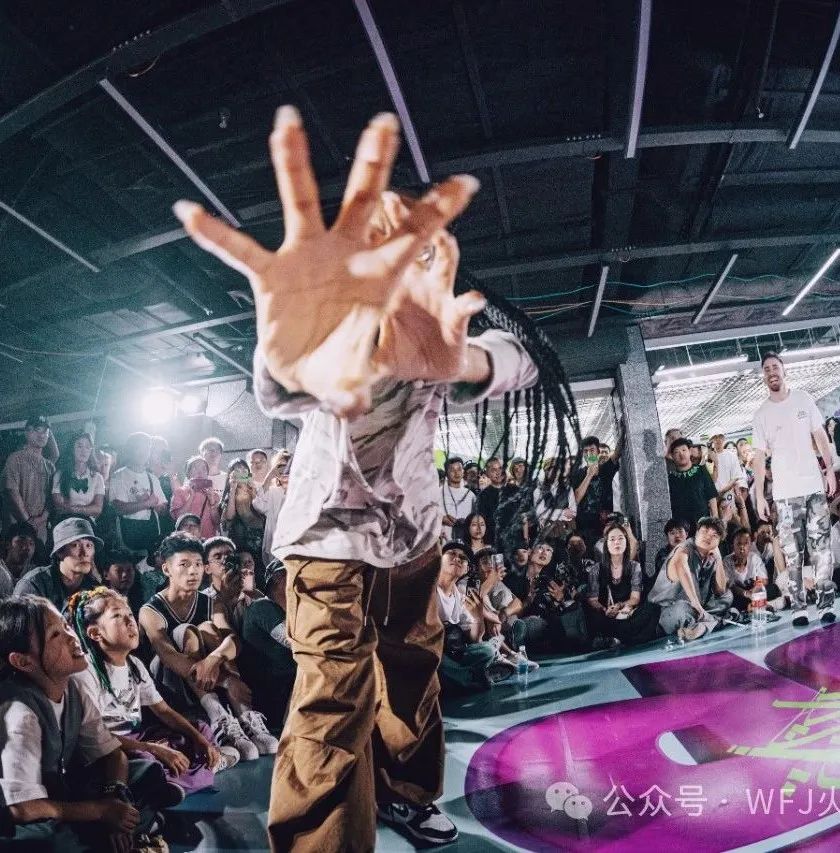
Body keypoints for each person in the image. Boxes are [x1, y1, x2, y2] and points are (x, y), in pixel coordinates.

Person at [174, 105, 541, 851]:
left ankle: (406, 794)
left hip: (414, 538)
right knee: (333, 695)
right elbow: (285, 387)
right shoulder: (338, 338)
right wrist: (286, 352)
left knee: (411, 672)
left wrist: (466, 360)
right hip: (327, 542)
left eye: (423, 247)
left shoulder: (441, 335)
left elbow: (522, 358)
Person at [0, 595, 176, 852]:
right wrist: (101, 811)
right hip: (24, 811)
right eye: (55, 635)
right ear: (23, 661)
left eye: (66, 626)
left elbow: (112, 754)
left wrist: (114, 795)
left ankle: (117, 831)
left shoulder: (73, 686)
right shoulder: (20, 711)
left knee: (147, 772)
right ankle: (134, 828)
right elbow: (21, 809)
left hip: (63, 794)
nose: (72, 637)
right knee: (50, 842)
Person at [67, 587, 236, 797]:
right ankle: (188, 776)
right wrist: (152, 748)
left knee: (199, 729)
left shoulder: (135, 664)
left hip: (137, 737)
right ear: (95, 633)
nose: (130, 622)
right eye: (117, 616)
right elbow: (96, 737)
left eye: (130, 614)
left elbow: (164, 711)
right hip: (109, 748)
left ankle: (182, 775)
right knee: (145, 760)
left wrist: (200, 740)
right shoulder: (85, 672)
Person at [137, 533, 274, 762]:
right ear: (167, 569)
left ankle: (245, 715)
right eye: (184, 564)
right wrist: (227, 681)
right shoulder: (150, 610)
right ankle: (217, 715)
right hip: (169, 686)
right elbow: (168, 656)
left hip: (208, 679)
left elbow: (232, 640)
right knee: (186, 631)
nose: (193, 571)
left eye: (198, 564)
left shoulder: (211, 602)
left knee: (209, 628)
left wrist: (214, 659)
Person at [752, 352, 837, 625]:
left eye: (775, 367)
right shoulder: (761, 414)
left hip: (813, 487)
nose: (771, 372)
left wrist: (829, 469)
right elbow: (758, 458)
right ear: (764, 377)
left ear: (784, 370)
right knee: (792, 553)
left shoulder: (803, 399)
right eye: (766, 369)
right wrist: (759, 495)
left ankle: (825, 603)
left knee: (821, 548)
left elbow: (820, 435)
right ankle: (799, 606)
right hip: (785, 495)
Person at [436, 542, 515, 693]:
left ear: (467, 568)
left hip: (453, 651)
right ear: (440, 559)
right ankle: (472, 678)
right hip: (432, 648)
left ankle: (465, 677)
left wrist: (478, 616)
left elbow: (475, 638)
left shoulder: (459, 596)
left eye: (463, 558)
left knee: (487, 650)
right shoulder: (429, 588)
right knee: (436, 658)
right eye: (452, 553)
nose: (457, 558)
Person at [648, 516, 731, 641]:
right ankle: (710, 623)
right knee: (683, 609)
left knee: (728, 596)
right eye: (705, 531)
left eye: (714, 535)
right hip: (664, 612)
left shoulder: (711, 555)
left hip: (697, 609)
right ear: (696, 533)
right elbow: (681, 565)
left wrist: (718, 559)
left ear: (718, 541)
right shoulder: (684, 548)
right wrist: (696, 604)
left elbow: (720, 591)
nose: (708, 537)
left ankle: (702, 626)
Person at [240, 560, 297, 728]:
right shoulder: (263, 607)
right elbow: (294, 642)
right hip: (271, 698)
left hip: (282, 692)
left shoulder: (281, 612)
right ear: (279, 578)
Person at [585, 524, 660, 647]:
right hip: (605, 615)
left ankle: (618, 637)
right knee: (591, 614)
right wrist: (605, 610)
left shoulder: (634, 566)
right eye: (612, 539)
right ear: (606, 544)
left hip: (627, 612)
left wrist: (620, 606)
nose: (617, 542)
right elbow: (592, 600)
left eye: (621, 538)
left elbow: (635, 598)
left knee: (653, 608)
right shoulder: (596, 569)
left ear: (626, 543)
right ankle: (628, 637)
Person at [13, 518, 102, 615]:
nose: (85, 553)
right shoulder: (34, 584)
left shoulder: (94, 589)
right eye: (75, 545)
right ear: (59, 551)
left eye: (89, 545)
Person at [109, 433, 167, 555]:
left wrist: (159, 507)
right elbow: (119, 508)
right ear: (130, 450)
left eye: (147, 448)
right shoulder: (119, 476)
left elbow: (163, 510)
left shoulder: (152, 478)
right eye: (139, 447)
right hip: (128, 536)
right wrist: (146, 503)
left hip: (151, 535)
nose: (144, 452)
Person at [2, 415, 55, 546]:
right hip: (16, 528)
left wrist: (42, 518)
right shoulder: (15, 459)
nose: (42, 435)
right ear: (27, 433)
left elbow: (52, 497)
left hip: (40, 530)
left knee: (39, 557)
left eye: (45, 431)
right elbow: (11, 491)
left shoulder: (49, 466)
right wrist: (28, 521)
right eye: (37, 429)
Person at [571, 434, 621, 549]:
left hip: (604, 526)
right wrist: (589, 475)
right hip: (584, 528)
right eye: (586, 451)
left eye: (592, 450)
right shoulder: (577, 474)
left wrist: (622, 431)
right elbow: (575, 499)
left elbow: (618, 452)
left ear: (598, 452)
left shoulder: (605, 469)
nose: (589, 454)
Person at [52, 433, 105, 524]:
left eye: (87, 447)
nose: (84, 451)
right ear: (72, 449)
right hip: (65, 521)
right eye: (80, 446)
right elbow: (58, 505)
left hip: (87, 522)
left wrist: (77, 509)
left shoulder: (97, 477)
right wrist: (85, 509)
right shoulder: (60, 474)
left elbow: (97, 509)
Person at [668, 438, 719, 529]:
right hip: (682, 527)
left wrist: (715, 518)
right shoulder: (671, 478)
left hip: (702, 523)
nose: (681, 454)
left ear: (690, 451)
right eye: (676, 452)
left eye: (684, 450)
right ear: (672, 456)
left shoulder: (701, 470)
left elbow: (711, 495)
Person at [219, 459, 265, 554]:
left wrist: (253, 490)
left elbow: (262, 510)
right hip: (240, 539)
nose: (241, 471)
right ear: (231, 474)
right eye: (237, 470)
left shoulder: (256, 488)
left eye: (244, 469)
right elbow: (229, 516)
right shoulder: (230, 493)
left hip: (259, 536)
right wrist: (233, 489)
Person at [169, 456, 221, 539]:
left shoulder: (214, 495)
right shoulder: (179, 492)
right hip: (187, 540)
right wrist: (191, 496)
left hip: (208, 540)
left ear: (207, 474)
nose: (200, 472)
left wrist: (212, 502)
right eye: (195, 468)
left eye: (204, 469)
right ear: (188, 473)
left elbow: (217, 522)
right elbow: (178, 517)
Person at [252, 450, 288, 568]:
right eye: (280, 467)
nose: (284, 471)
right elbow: (258, 504)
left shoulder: (299, 491)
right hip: (275, 543)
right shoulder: (273, 492)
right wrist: (270, 476)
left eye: (288, 467)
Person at [723, 528, 768, 613]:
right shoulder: (726, 561)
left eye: (746, 543)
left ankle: (752, 605)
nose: (742, 547)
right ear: (732, 546)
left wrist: (754, 591)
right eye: (739, 544)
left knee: (772, 589)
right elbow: (730, 586)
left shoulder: (754, 558)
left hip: (754, 591)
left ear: (750, 545)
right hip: (739, 594)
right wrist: (747, 594)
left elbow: (763, 579)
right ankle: (754, 605)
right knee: (729, 597)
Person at [440, 457, 476, 537]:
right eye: (452, 470)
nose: (456, 473)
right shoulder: (438, 493)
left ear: (463, 472)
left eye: (459, 469)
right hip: (443, 539)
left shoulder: (471, 495)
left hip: (465, 539)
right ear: (446, 473)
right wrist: (440, 519)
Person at [0, 522, 38, 598]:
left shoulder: (36, 574)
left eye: (31, 543)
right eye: (21, 541)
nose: (27, 548)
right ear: (8, 544)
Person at [476, 456, 506, 544]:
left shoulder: (514, 491)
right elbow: (481, 522)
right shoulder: (483, 496)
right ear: (487, 473)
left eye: (500, 468)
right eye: (493, 470)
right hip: (492, 541)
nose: (498, 473)